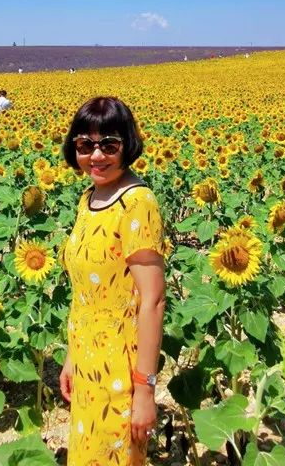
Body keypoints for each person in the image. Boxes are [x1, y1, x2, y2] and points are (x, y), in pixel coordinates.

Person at [60, 96, 165, 465]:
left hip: (121, 372)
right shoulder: (89, 198)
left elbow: (152, 300)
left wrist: (145, 391)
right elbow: (88, 292)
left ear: (127, 146)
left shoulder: (137, 203)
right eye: (86, 145)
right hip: (88, 365)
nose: (97, 156)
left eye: (109, 145)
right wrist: (73, 357)